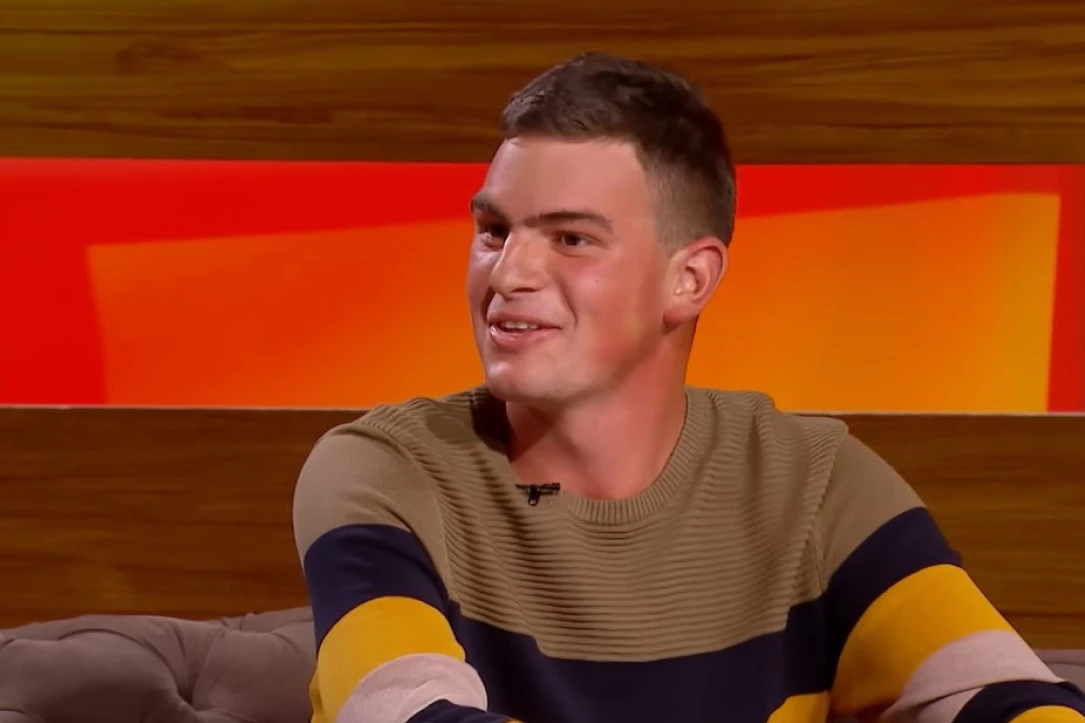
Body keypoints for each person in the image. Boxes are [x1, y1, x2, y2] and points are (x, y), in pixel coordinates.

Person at [292, 52, 1085, 723]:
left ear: (690, 279)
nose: (507, 274)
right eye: (494, 231)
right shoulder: (386, 472)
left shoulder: (813, 483)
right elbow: (406, 711)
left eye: (570, 237)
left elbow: (1005, 696)